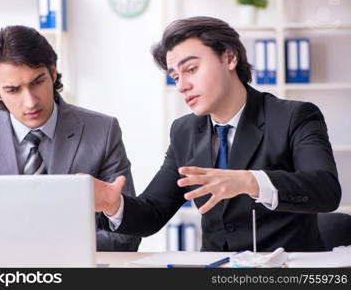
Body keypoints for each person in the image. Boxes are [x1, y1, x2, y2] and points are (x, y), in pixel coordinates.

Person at [94, 16, 341, 252]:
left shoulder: (294, 116)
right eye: (175, 76)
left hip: (285, 268)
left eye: (190, 69)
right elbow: (154, 212)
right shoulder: (184, 131)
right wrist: (113, 204)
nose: (181, 85)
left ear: (229, 58)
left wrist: (249, 181)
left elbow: (325, 190)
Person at [0, 25, 140, 251]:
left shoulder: (102, 131)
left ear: (52, 72)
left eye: (37, 82)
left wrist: (47, 249)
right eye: (13, 90)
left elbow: (127, 236)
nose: (30, 101)